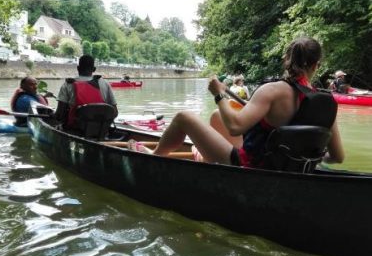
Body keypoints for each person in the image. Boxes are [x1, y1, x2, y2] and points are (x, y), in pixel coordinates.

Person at [136, 37, 344, 169]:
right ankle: (207, 159)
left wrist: (218, 95)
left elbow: (235, 127)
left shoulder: (271, 91)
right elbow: (337, 157)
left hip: (253, 167)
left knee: (184, 117)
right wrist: (307, 160)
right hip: (290, 170)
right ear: (317, 65)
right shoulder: (326, 103)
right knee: (218, 117)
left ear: (286, 60)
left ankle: (154, 156)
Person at [54, 55, 118, 129]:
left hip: (75, 129)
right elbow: (115, 112)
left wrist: (54, 116)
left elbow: (59, 114)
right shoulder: (105, 83)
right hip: (100, 130)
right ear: (94, 69)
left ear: (78, 68)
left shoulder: (68, 84)